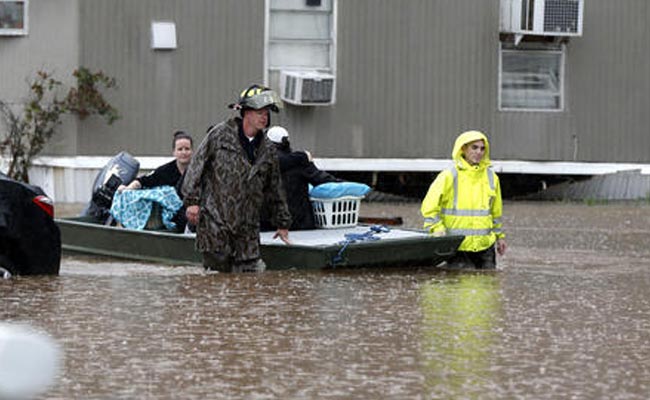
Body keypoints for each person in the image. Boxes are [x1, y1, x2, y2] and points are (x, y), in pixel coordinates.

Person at [181, 84, 292, 273]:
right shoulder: (219, 135)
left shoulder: (268, 149)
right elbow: (195, 167)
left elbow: (275, 187)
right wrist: (192, 202)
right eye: (260, 112)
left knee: (247, 282)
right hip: (216, 222)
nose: (264, 117)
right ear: (246, 112)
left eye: (267, 113)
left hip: (247, 228)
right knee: (216, 281)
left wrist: (282, 223)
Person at [420, 130, 507, 269]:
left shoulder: (492, 178)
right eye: (474, 147)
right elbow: (429, 207)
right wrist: (437, 230)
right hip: (457, 246)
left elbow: (495, 212)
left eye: (482, 148)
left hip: (485, 247)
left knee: (488, 285)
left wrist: (500, 237)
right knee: (462, 286)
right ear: (463, 149)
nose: (479, 152)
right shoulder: (449, 175)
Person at [260, 126, 342, 231]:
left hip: (267, 224)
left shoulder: (260, 163)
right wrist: (343, 183)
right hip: (299, 223)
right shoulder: (300, 162)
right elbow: (321, 178)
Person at [117, 130, 193, 231]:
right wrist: (127, 188)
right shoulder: (166, 170)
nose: (184, 152)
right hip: (175, 216)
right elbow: (144, 181)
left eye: (187, 149)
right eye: (180, 149)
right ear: (174, 152)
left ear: (192, 151)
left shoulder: (199, 169)